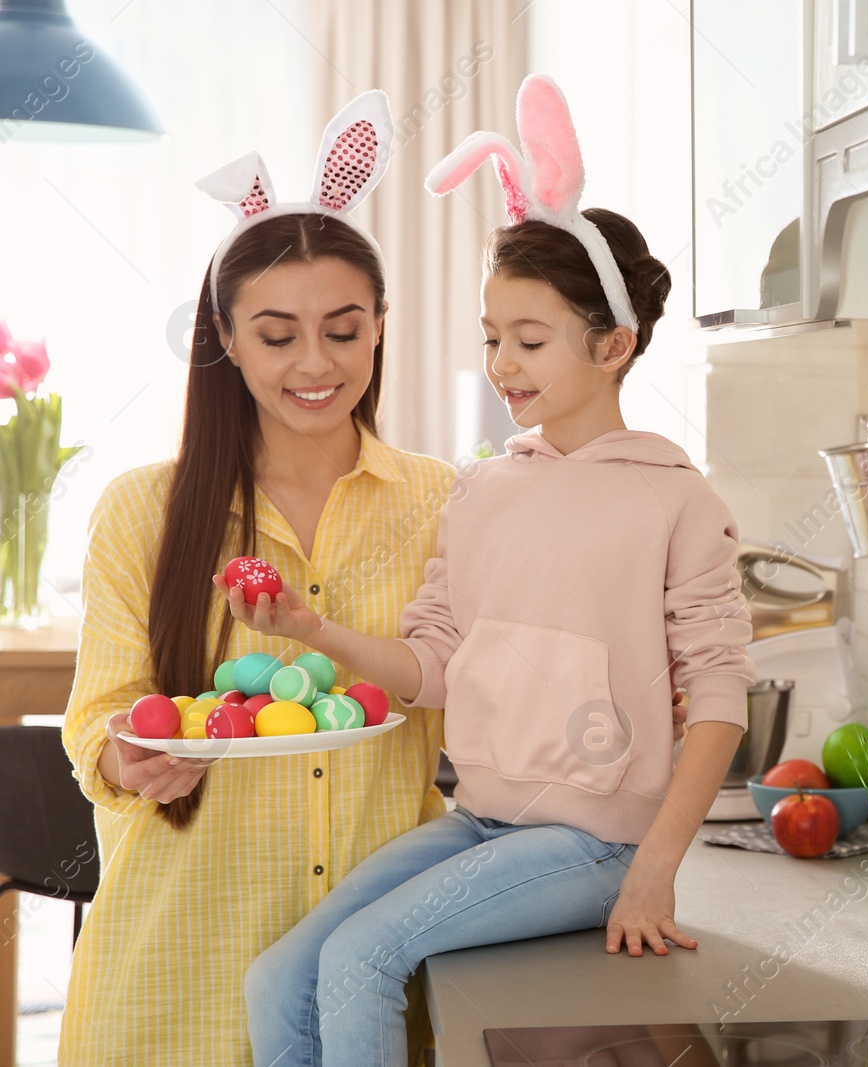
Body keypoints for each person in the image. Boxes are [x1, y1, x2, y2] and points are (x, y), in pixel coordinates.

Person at [235, 75, 754, 1067]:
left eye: (528, 340)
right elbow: (433, 662)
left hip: (596, 847)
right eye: (489, 339)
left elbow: (721, 696)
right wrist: (309, 631)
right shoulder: (480, 492)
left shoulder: (677, 501)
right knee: (278, 974)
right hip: (479, 819)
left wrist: (654, 868)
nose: (503, 365)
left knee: (361, 958)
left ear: (613, 344)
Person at [58, 93, 459, 1065]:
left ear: (380, 327)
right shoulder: (143, 510)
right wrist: (131, 759)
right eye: (277, 334)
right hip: (177, 977)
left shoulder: (447, 501)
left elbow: (478, 701)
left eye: (344, 328)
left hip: (375, 975)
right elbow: (97, 724)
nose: (315, 363)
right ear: (226, 338)